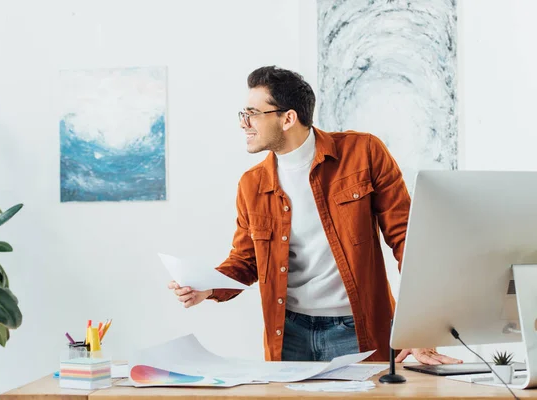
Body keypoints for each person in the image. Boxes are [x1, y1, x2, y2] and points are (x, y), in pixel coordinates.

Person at [168, 66, 461, 365]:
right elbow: (246, 261)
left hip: (357, 331)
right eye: (243, 114)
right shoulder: (252, 184)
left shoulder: (364, 152)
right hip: (289, 335)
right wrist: (207, 286)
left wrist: (424, 328)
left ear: (288, 118)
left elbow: (408, 240)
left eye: (252, 113)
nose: (244, 124)